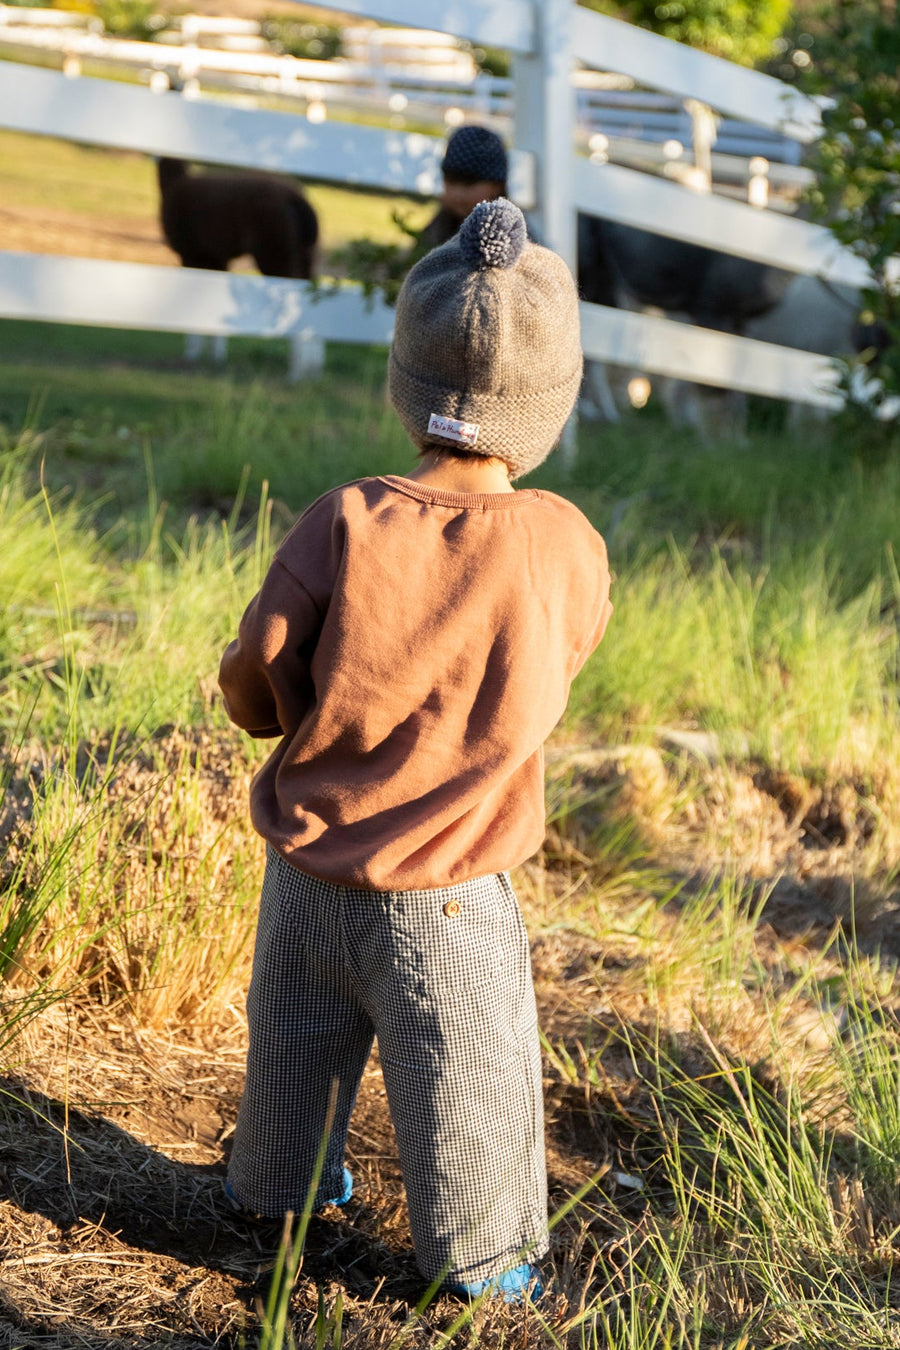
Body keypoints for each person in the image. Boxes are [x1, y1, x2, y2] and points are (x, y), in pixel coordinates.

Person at [217, 198, 613, 1303]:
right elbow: (563, 659)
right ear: (550, 404)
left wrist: (280, 702)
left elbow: (254, 677)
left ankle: (276, 1197)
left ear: (407, 385)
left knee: (290, 1064)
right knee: (471, 1095)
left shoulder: (343, 519)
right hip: (448, 894)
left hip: (306, 876)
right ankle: (483, 1271)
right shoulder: (563, 544)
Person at [416, 123, 509, 253]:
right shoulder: (439, 227)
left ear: (497, 186)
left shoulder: (508, 235)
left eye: (469, 184)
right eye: (451, 181)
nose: (457, 194)